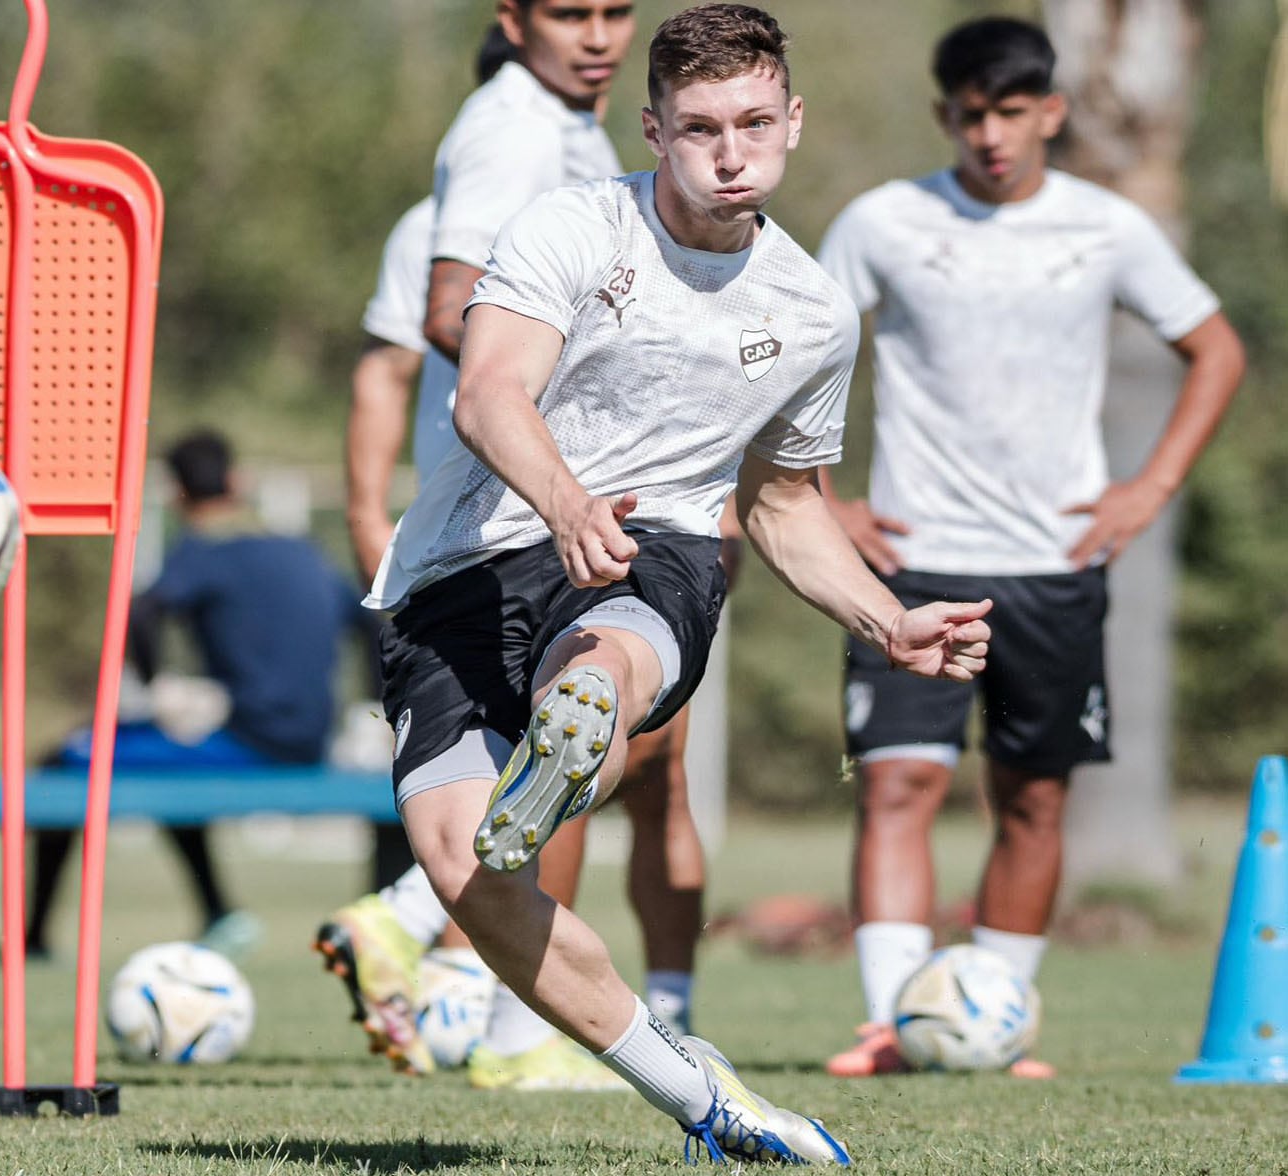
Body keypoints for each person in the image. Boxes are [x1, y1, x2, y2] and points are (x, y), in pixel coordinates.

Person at [366, 3, 1001, 1161]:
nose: (728, 152)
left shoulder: (808, 310)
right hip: (457, 571)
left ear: (790, 124)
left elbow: (781, 506)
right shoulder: (568, 226)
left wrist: (885, 617)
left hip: (647, 552)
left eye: (753, 123)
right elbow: (486, 392)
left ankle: (578, 724)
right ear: (652, 127)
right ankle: (703, 1098)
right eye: (699, 126)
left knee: (608, 640)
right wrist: (561, 501)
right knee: (467, 876)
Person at [816, 16, 1245, 1079]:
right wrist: (825, 507)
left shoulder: (1104, 228)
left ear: (1048, 111)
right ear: (943, 116)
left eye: (1010, 112)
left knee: (1031, 797)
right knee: (895, 786)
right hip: (912, 562)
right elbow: (799, 356)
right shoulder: (880, 222)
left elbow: (1214, 349)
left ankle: (995, 1016)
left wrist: (1146, 487)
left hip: (1051, 572)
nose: (990, 135)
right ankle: (890, 1025)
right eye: (969, 115)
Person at [330, 0, 716, 1091]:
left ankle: (438, 946)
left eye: (612, 13)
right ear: (514, 21)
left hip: (547, 501)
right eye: (568, 14)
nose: (595, 36)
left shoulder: (577, 134)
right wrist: (601, 384)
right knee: (587, 735)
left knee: (602, 742)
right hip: (520, 517)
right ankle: (494, 1009)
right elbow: (455, 311)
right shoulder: (510, 127)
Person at [25, 430, 378, 960]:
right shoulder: (302, 549)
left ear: (177, 493)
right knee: (171, 767)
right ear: (238, 481)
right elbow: (374, 623)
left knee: (61, 763)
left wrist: (156, 685)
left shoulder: (204, 549)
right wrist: (376, 708)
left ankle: (31, 940)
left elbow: (140, 611)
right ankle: (221, 913)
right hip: (313, 742)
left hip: (251, 744)